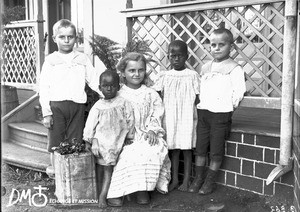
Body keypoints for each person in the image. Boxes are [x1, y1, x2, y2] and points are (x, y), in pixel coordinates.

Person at [106, 52, 171, 207]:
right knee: (130, 152)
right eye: (132, 70)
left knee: (152, 149)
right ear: (123, 72)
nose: (136, 74)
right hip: (125, 137)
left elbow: (157, 114)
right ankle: (117, 192)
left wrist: (152, 130)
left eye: (140, 70)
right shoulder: (119, 94)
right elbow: (114, 120)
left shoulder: (151, 93)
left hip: (147, 133)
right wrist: (123, 137)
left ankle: (143, 189)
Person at [39, 19, 101, 178]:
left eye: (70, 37)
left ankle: (72, 175)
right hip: (56, 107)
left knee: (75, 139)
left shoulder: (82, 59)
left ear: (76, 38)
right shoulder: (51, 61)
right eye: (62, 37)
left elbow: (94, 80)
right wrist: (46, 112)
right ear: (54, 38)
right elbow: (44, 87)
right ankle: (56, 173)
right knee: (56, 141)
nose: (66, 41)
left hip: (77, 106)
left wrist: (106, 94)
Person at [188, 28, 246, 194]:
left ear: (231, 47)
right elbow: (200, 89)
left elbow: (238, 92)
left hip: (221, 115)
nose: (217, 48)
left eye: (222, 44)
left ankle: (209, 181)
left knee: (216, 150)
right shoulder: (205, 67)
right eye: (213, 44)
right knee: (200, 149)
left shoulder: (234, 68)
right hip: (204, 114)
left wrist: (228, 108)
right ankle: (199, 178)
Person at [152, 40, 201, 192]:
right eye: (173, 56)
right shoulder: (165, 76)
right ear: (168, 57)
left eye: (180, 55)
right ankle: (174, 179)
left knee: (186, 148)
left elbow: (199, 97)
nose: (176, 59)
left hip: (186, 115)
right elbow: (157, 96)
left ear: (186, 56)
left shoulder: (192, 75)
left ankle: (186, 180)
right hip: (171, 116)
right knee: (173, 149)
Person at [83, 70, 134, 208]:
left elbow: (130, 120)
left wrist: (129, 137)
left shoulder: (123, 103)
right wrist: (89, 140)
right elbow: (90, 126)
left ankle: (103, 195)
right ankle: (101, 193)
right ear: (100, 88)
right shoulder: (98, 107)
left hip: (117, 142)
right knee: (101, 168)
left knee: (108, 169)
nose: (109, 88)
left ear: (118, 86)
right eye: (105, 86)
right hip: (101, 143)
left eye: (113, 85)